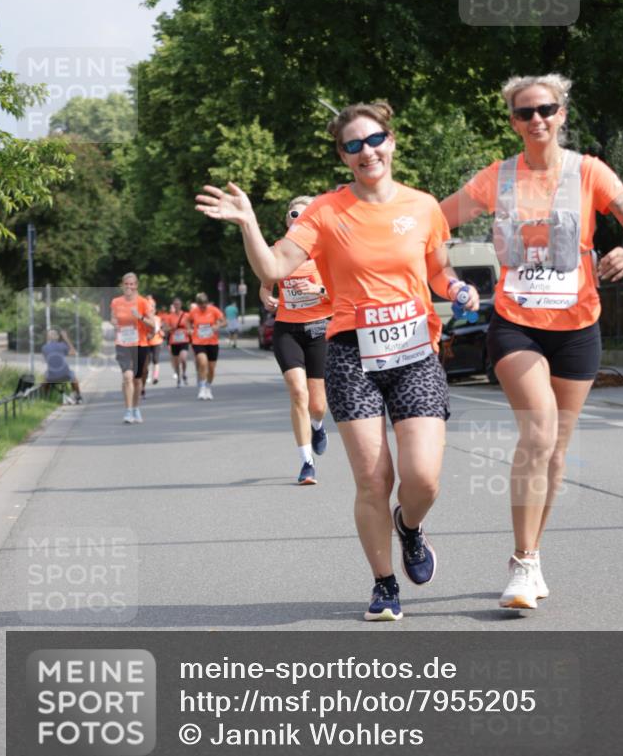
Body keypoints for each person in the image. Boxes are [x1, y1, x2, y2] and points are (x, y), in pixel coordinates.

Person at [196, 101, 478, 621]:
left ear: (390, 142)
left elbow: (438, 270)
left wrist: (457, 287)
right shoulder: (325, 212)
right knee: (373, 479)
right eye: (353, 145)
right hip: (351, 354)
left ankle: (410, 528)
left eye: (374, 140)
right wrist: (248, 223)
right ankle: (383, 584)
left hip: (415, 352)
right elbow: (276, 265)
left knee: (423, 480)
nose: (366, 151)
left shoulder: (423, 207)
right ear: (343, 156)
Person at [440, 73, 623, 610]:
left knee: (556, 451)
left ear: (561, 114)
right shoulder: (498, 177)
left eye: (546, 109)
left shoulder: (589, 172)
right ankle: (520, 563)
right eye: (524, 112)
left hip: (578, 326)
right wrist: (444, 281)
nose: (536, 119)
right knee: (538, 434)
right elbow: (431, 223)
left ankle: (532, 556)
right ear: (513, 121)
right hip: (516, 323)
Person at [259, 195, 332, 485]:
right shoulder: (276, 250)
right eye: (293, 213)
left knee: (317, 404)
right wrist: (268, 299)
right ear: (287, 219)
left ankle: (317, 426)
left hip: (319, 329)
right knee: (298, 394)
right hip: (287, 329)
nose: (298, 218)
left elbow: (341, 291)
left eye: (305, 214)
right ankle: (306, 463)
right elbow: (265, 287)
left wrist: (319, 290)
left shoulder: (327, 252)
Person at [110, 273, 155, 424]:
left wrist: (140, 317)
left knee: (137, 380)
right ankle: (128, 411)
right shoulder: (116, 302)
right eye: (126, 284)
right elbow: (113, 317)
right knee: (127, 377)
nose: (129, 287)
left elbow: (152, 324)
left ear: (136, 285)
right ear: (122, 285)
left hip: (140, 344)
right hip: (123, 344)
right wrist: (114, 323)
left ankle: (136, 408)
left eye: (132, 284)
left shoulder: (143, 302)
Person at [188, 293, 226, 399]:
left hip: (212, 342)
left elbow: (224, 322)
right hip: (198, 342)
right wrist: (189, 329)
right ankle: (202, 388)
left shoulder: (213, 310)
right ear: (198, 304)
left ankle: (208, 387)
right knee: (203, 363)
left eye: (205, 304)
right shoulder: (194, 311)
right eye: (201, 305)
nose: (203, 307)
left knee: (212, 369)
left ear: (207, 302)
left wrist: (217, 326)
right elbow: (187, 320)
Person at [41, 328, 82, 402]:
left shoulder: (44, 348)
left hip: (51, 377)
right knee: (74, 378)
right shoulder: (62, 346)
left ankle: (45, 398)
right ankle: (78, 397)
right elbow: (73, 352)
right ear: (58, 337)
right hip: (65, 375)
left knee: (44, 379)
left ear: (47, 337)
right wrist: (66, 338)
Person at [140, 295, 164, 397]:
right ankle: (142, 385)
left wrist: (160, 332)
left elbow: (157, 329)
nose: (151, 309)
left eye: (152, 307)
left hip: (156, 342)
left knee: (155, 360)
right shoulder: (142, 318)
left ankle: (154, 377)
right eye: (149, 307)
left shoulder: (157, 318)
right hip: (143, 343)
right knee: (144, 366)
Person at [164, 297, 191, 386]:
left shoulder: (186, 315)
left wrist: (189, 330)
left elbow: (190, 327)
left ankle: (184, 373)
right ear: (173, 306)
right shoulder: (169, 316)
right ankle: (179, 377)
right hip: (174, 341)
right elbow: (165, 328)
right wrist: (172, 328)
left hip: (184, 340)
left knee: (183, 359)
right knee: (176, 362)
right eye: (175, 304)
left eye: (178, 304)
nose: (177, 306)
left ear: (181, 305)